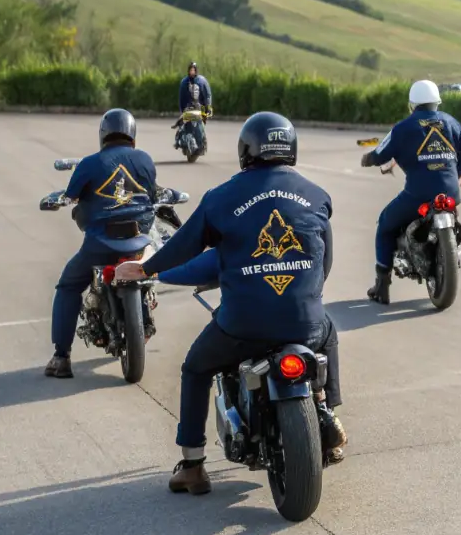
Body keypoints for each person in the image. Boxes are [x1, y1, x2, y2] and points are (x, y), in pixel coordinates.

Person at [115, 112, 345, 494]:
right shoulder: (317, 195)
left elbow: (184, 247)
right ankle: (328, 411)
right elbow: (325, 262)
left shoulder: (221, 197)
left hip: (243, 325)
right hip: (305, 320)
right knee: (329, 331)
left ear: (246, 150)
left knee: (195, 368)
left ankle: (192, 464)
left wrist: (145, 269)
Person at [45, 108, 158, 380]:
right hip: (137, 242)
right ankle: (145, 315)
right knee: (153, 267)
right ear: (132, 134)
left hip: (99, 245)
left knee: (69, 285)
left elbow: (70, 196)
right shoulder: (144, 160)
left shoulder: (89, 163)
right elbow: (153, 193)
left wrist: (55, 199)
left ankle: (61, 357)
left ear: (103, 134)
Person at [360, 79, 461, 304]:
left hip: (418, 195)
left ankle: (382, 286)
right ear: (437, 102)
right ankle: (451, 255)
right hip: (451, 194)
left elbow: (380, 154)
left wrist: (367, 158)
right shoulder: (452, 123)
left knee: (385, 224)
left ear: (412, 104)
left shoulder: (403, 127)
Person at [175, 61, 213, 153]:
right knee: (182, 124)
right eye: (190, 70)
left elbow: (207, 95)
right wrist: (182, 110)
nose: (192, 72)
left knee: (201, 124)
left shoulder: (202, 81)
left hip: (201, 107)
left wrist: (208, 107)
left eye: (193, 70)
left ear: (196, 71)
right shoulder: (184, 82)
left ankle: (202, 141)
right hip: (188, 108)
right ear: (188, 71)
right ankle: (180, 140)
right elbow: (181, 97)